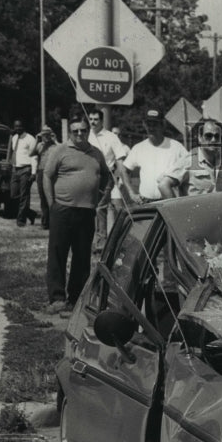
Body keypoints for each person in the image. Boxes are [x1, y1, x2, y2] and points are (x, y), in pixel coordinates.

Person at [42, 117, 108, 316]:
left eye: (83, 130)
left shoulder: (96, 153)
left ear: (89, 131)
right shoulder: (60, 151)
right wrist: (51, 203)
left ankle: (74, 300)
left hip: (86, 211)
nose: (80, 134)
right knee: (57, 254)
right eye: (75, 131)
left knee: (82, 257)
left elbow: (105, 174)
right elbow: (47, 175)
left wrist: (100, 196)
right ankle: (57, 299)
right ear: (70, 132)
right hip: (62, 209)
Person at [117, 109, 188, 203]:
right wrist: (131, 193)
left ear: (163, 125)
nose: (151, 128)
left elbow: (189, 169)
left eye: (155, 124)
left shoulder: (176, 147)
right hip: (145, 202)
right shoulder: (139, 148)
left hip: (168, 201)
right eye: (148, 124)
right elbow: (124, 170)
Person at [87, 109, 128, 248]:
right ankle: (86, 240)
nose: (92, 122)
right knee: (86, 208)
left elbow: (120, 157)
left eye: (95, 119)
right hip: (86, 175)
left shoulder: (111, 137)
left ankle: (101, 243)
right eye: (90, 119)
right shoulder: (85, 135)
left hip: (105, 176)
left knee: (100, 208)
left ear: (101, 121)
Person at [180, 120, 222, 196]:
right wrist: (178, 207)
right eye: (208, 136)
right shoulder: (189, 160)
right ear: (200, 138)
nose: (213, 140)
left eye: (217, 136)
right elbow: (164, 185)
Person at [7, 119, 38, 226]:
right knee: (13, 195)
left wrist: (34, 173)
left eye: (19, 126)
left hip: (26, 169)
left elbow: (34, 156)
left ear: (23, 127)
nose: (17, 128)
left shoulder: (30, 139)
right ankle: (31, 213)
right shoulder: (14, 138)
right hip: (15, 169)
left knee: (24, 195)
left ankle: (21, 220)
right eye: (16, 126)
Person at [32, 126, 57, 230]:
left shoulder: (55, 146)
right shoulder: (39, 145)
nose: (45, 137)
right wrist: (36, 140)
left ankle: (53, 221)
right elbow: (31, 153)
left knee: (52, 196)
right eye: (43, 135)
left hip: (52, 171)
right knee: (43, 197)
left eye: (47, 135)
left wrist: (55, 139)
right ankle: (45, 222)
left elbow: (61, 149)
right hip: (41, 171)